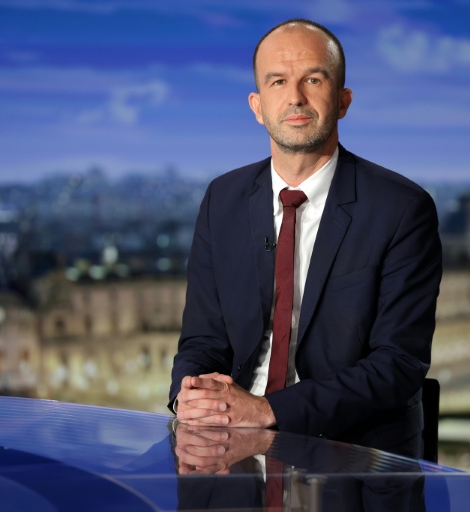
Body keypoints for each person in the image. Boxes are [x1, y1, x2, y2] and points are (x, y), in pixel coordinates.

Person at [168, 18, 442, 459]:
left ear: (343, 100)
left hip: (351, 450)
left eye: (313, 79)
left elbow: (398, 363)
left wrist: (267, 410)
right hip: (228, 441)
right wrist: (191, 396)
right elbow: (202, 340)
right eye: (278, 81)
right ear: (257, 106)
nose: (295, 97)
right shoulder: (223, 199)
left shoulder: (401, 208)